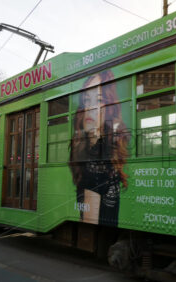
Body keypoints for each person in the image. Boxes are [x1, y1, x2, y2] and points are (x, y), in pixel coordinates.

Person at [69, 70, 129, 226]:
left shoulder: (99, 156)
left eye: (99, 100)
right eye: (87, 100)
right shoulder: (95, 158)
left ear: (109, 107)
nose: (90, 107)